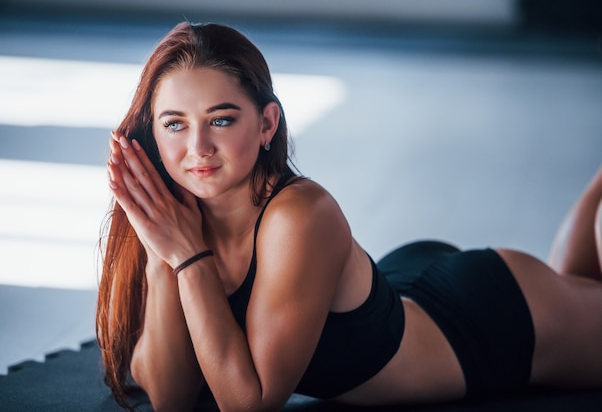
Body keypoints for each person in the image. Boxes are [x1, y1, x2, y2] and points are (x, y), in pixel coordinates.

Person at [97, 21, 602, 412]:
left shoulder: (300, 215)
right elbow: (169, 400)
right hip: (405, 282)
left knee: (582, 300)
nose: (198, 147)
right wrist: (160, 257)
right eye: (175, 125)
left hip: (485, 323)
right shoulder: (174, 216)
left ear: (267, 123)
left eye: (221, 119)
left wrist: (186, 256)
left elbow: (248, 404)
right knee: (580, 283)